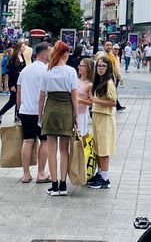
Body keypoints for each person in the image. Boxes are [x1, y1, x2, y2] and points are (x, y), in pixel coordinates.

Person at [38, 41, 78, 197]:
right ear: (66, 54)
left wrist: (40, 115)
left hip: (51, 110)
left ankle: (54, 185)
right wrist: (75, 116)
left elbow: (41, 97)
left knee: (52, 149)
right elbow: (74, 96)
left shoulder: (48, 72)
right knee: (64, 150)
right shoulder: (70, 72)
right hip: (66, 110)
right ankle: (63, 184)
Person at [16, 41, 51, 184]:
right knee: (44, 141)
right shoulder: (46, 70)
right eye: (50, 52)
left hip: (25, 111)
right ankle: (41, 173)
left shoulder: (25, 70)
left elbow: (19, 92)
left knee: (27, 141)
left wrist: (18, 110)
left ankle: (25, 174)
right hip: (40, 111)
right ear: (44, 54)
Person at [87, 57, 117, 189]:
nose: (100, 68)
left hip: (105, 117)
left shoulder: (109, 82)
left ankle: (105, 177)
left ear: (108, 67)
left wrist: (95, 100)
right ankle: (100, 173)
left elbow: (113, 102)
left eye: (103, 66)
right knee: (98, 147)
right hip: (97, 115)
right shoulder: (99, 81)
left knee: (104, 148)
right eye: (99, 65)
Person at [0, 39, 26, 125]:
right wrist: (11, 85)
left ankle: (17, 117)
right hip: (14, 83)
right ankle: (0, 113)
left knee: (19, 100)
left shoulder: (22, 57)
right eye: (23, 47)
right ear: (19, 47)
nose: (24, 48)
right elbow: (10, 73)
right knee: (13, 101)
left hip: (21, 83)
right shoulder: (13, 58)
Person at [97, 41, 125, 111]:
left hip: (110, 77)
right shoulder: (101, 55)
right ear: (104, 46)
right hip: (103, 78)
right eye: (107, 45)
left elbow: (114, 67)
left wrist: (119, 77)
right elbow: (98, 67)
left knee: (111, 92)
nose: (109, 46)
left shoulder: (111, 55)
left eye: (110, 45)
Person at [77, 57, 95, 136]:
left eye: (82, 66)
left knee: (79, 138)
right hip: (71, 113)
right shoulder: (75, 79)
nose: (80, 67)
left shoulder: (90, 84)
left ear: (88, 68)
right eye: (79, 65)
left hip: (81, 114)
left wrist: (80, 100)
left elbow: (92, 102)